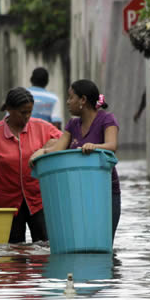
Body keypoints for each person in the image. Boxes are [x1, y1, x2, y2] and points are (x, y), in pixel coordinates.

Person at [30, 79, 121, 241]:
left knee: (103, 242)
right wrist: (42, 152)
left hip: (105, 191)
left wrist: (95, 146)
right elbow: (57, 149)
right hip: (78, 192)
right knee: (81, 240)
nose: (67, 102)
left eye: (71, 97)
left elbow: (112, 145)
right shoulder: (72, 124)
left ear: (83, 100)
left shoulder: (107, 119)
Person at [0, 87, 62, 243]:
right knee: (12, 253)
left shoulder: (42, 128)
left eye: (30, 111)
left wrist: (47, 148)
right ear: (9, 110)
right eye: (23, 112)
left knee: (45, 247)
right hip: (6, 205)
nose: (27, 116)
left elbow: (66, 141)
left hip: (38, 200)